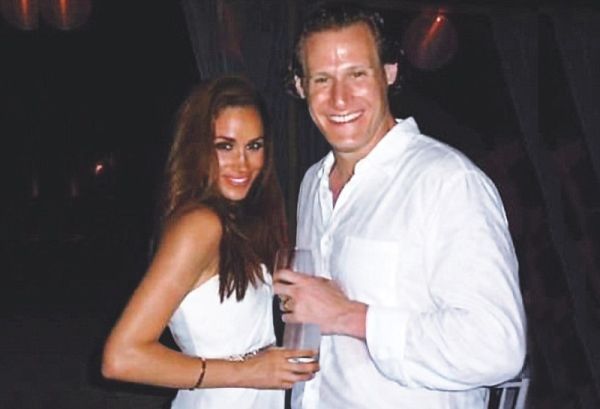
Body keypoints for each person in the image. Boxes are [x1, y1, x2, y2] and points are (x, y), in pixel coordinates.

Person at [274, 3, 527, 408]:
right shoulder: (312, 184)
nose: (340, 98)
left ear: (389, 72)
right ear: (301, 86)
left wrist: (349, 316)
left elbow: (497, 347)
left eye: (357, 74)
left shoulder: (446, 182)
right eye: (322, 79)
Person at [102, 75, 319, 409]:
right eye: (225, 146)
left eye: (254, 146)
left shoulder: (235, 221)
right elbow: (121, 357)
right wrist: (250, 371)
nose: (243, 164)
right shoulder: (199, 226)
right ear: (198, 148)